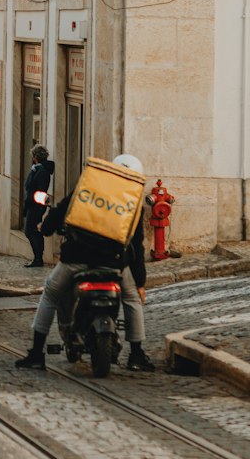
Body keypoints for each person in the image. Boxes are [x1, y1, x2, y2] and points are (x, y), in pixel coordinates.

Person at [15, 153, 155, 373]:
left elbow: (56, 216)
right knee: (131, 299)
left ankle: (36, 353)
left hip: (75, 260)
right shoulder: (133, 204)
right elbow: (137, 245)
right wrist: (140, 283)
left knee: (51, 293)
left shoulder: (87, 189)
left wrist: (47, 228)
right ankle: (137, 354)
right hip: (114, 264)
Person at [22, 145, 54, 267]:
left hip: (36, 206)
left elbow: (40, 190)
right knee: (33, 231)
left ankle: (38, 259)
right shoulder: (37, 169)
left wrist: (32, 201)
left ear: (35, 157)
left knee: (30, 232)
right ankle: (38, 258)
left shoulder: (42, 172)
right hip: (34, 205)